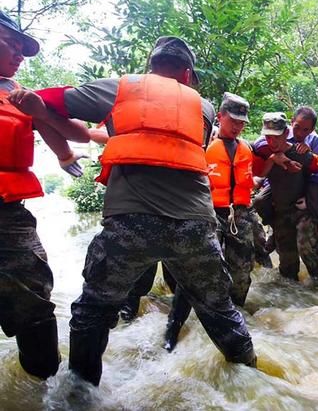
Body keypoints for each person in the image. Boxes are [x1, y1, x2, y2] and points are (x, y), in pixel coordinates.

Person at [15, 36, 256, 385]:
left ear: (151, 65)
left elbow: (48, 100)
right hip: (195, 227)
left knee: (94, 311)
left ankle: (81, 394)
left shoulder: (122, 88)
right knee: (219, 309)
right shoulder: (202, 106)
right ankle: (253, 375)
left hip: (130, 223)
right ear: (187, 75)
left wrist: (45, 121)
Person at [1, 10, 90, 380]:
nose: (21, 55)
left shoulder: (16, 93)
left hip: (7, 216)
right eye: (13, 45)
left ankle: (44, 387)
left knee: (35, 305)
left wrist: (64, 153)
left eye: (24, 49)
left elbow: (78, 134)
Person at [163, 92, 256, 351]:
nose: (237, 125)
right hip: (208, 214)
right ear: (220, 117)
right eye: (233, 120)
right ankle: (174, 326)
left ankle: (234, 321)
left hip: (240, 214)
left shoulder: (247, 148)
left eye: (241, 122)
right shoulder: (202, 147)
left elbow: (251, 180)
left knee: (241, 272)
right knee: (195, 271)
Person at [253, 112, 318, 284]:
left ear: (286, 134)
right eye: (268, 137)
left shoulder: (301, 153)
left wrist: (314, 203)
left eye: (276, 137)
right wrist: (273, 159)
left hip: (302, 211)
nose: (272, 142)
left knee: (307, 249)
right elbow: (254, 174)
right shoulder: (262, 153)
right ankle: (290, 294)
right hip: (280, 212)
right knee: (286, 260)